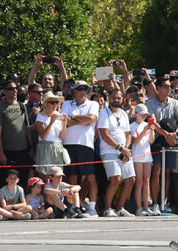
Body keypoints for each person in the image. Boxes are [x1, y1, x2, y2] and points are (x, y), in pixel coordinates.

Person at [61, 81, 100, 216]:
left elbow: (91, 118)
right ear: (74, 92)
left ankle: (92, 207)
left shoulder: (93, 104)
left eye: (85, 89)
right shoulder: (67, 104)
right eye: (80, 89)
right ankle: (73, 206)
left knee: (90, 176)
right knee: (72, 177)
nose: (83, 91)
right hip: (68, 144)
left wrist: (73, 118)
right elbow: (63, 121)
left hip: (86, 145)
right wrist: (82, 120)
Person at [147, 76, 178, 214]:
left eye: (170, 86)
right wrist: (166, 135)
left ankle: (165, 201)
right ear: (158, 88)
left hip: (172, 141)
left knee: (168, 172)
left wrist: (175, 134)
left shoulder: (175, 103)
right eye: (166, 86)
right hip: (156, 141)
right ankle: (155, 203)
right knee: (156, 171)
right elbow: (152, 121)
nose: (169, 89)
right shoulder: (150, 103)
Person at [97, 88, 134, 217]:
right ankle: (107, 208)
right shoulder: (104, 112)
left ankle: (119, 208)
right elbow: (104, 134)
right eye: (113, 97)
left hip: (124, 152)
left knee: (130, 180)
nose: (116, 100)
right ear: (109, 98)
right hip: (109, 151)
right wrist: (120, 149)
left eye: (118, 98)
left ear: (122, 99)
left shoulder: (123, 113)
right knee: (116, 179)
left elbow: (128, 134)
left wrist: (126, 150)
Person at [0, 78, 33, 185]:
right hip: (7, 151)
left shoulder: (22, 105)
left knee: (23, 180)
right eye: (11, 89)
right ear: (4, 91)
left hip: (23, 150)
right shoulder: (0, 108)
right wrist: (1, 153)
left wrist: (32, 147)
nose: (14, 91)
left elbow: (27, 128)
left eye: (16, 88)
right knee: (6, 181)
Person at [34, 92, 69, 180]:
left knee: (57, 176)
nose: (55, 105)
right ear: (46, 104)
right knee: (44, 176)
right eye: (52, 102)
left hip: (57, 146)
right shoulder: (41, 116)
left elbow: (62, 136)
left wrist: (64, 123)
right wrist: (52, 122)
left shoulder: (59, 116)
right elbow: (43, 136)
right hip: (45, 146)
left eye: (56, 102)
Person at [130, 104, 154, 216]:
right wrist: (145, 130)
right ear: (136, 114)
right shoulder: (133, 126)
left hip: (147, 155)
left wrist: (151, 130)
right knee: (139, 181)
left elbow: (151, 141)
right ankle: (139, 208)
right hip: (137, 156)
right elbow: (135, 141)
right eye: (142, 114)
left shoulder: (146, 125)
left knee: (146, 181)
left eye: (145, 114)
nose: (144, 116)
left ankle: (146, 206)